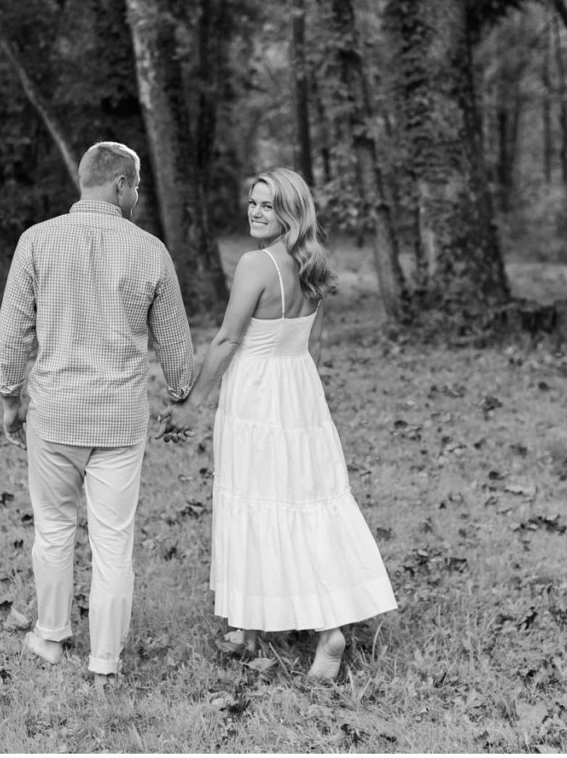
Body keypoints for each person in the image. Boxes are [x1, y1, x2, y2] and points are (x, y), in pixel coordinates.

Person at [157, 167, 396, 679]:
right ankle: (285, 624)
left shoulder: (256, 264)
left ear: (289, 211)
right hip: (300, 389)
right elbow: (310, 341)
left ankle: (305, 628)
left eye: (267, 204)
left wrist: (191, 403)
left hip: (258, 395)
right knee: (306, 499)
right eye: (253, 201)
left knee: (257, 498)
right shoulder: (312, 263)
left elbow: (226, 340)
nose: (255, 211)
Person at [0, 141, 194, 691]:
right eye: (137, 186)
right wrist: (179, 390)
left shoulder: (36, 241)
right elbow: (176, 344)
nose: (137, 194)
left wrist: (11, 400)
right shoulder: (150, 250)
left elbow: (13, 333)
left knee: (54, 530)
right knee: (112, 541)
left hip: (53, 417)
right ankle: (105, 661)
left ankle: (52, 636)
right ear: (121, 185)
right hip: (119, 422)